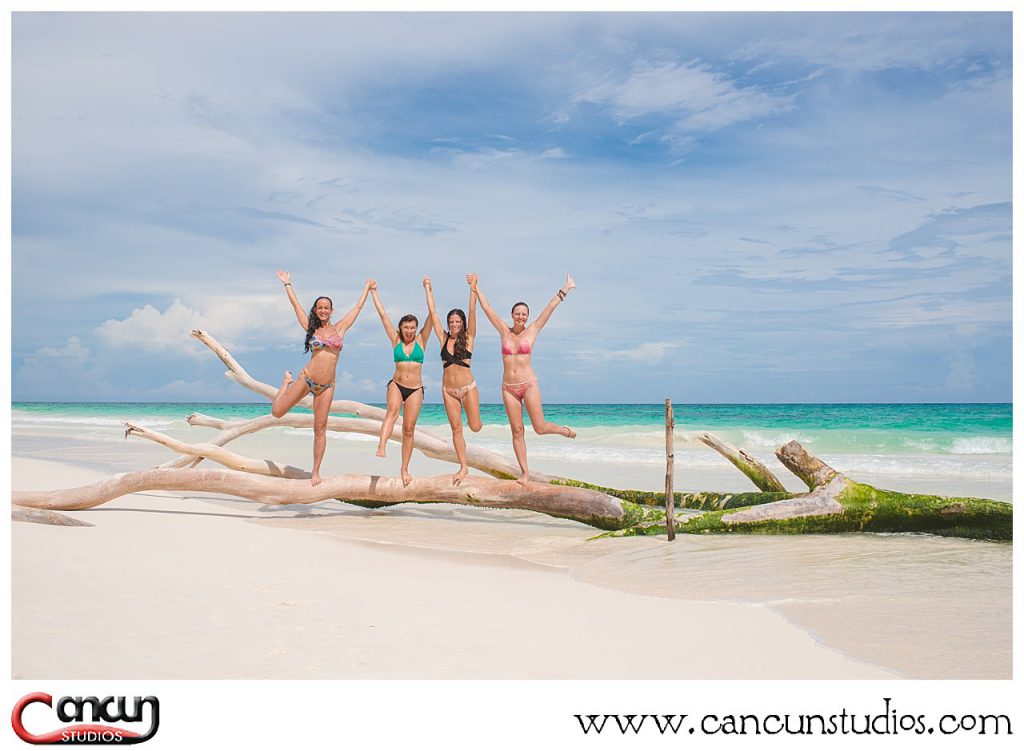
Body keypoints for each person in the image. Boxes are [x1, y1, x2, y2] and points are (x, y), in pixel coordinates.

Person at [471, 273, 576, 485]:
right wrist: (476, 287)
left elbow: (549, 308)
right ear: (512, 315)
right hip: (508, 387)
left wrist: (566, 288)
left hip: (529, 385)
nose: (520, 317)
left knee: (539, 427)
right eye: (517, 313)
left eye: (524, 314)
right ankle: (525, 473)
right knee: (517, 431)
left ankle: (563, 431)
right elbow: (487, 308)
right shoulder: (503, 331)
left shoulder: (532, 331)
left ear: (527, 317)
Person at [271, 270, 373, 486]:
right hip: (307, 379)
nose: (323, 310)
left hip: (327, 386)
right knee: (277, 412)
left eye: (327, 308)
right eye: (320, 308)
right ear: (316, 311)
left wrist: (367, 289)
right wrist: (287, 284)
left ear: (331, 310)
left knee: (320, 428)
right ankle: (285, 383)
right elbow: (296, 306)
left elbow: (358, 308)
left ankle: (315, 472)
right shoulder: (312, 328)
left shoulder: (340, 328)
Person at [370, 281, 433, 486]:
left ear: (416, 328)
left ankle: (404, 468)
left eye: (412, 327)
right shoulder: (395, 339)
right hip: (396, 384)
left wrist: (427, 290)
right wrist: (374, 292)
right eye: (406, 327)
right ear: (401, 328)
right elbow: (383, 315)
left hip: (415, 389)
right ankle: (382, 445)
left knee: (408, 429)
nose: (409, 330)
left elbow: (432, 315)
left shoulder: (422, 340)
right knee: (392, 410)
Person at [423, 275, 482, 486]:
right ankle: (463, 465)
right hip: (448, 390)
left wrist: (473, 288)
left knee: (475, 427)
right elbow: (433, 313)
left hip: (468, 388)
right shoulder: (443, 337)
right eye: (451, 321)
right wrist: (428, 288)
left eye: (458, 321)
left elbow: (473, 310)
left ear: (463, 323)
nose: (454, 324)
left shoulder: (470, 337)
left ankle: (473, 415)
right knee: (456, 429)